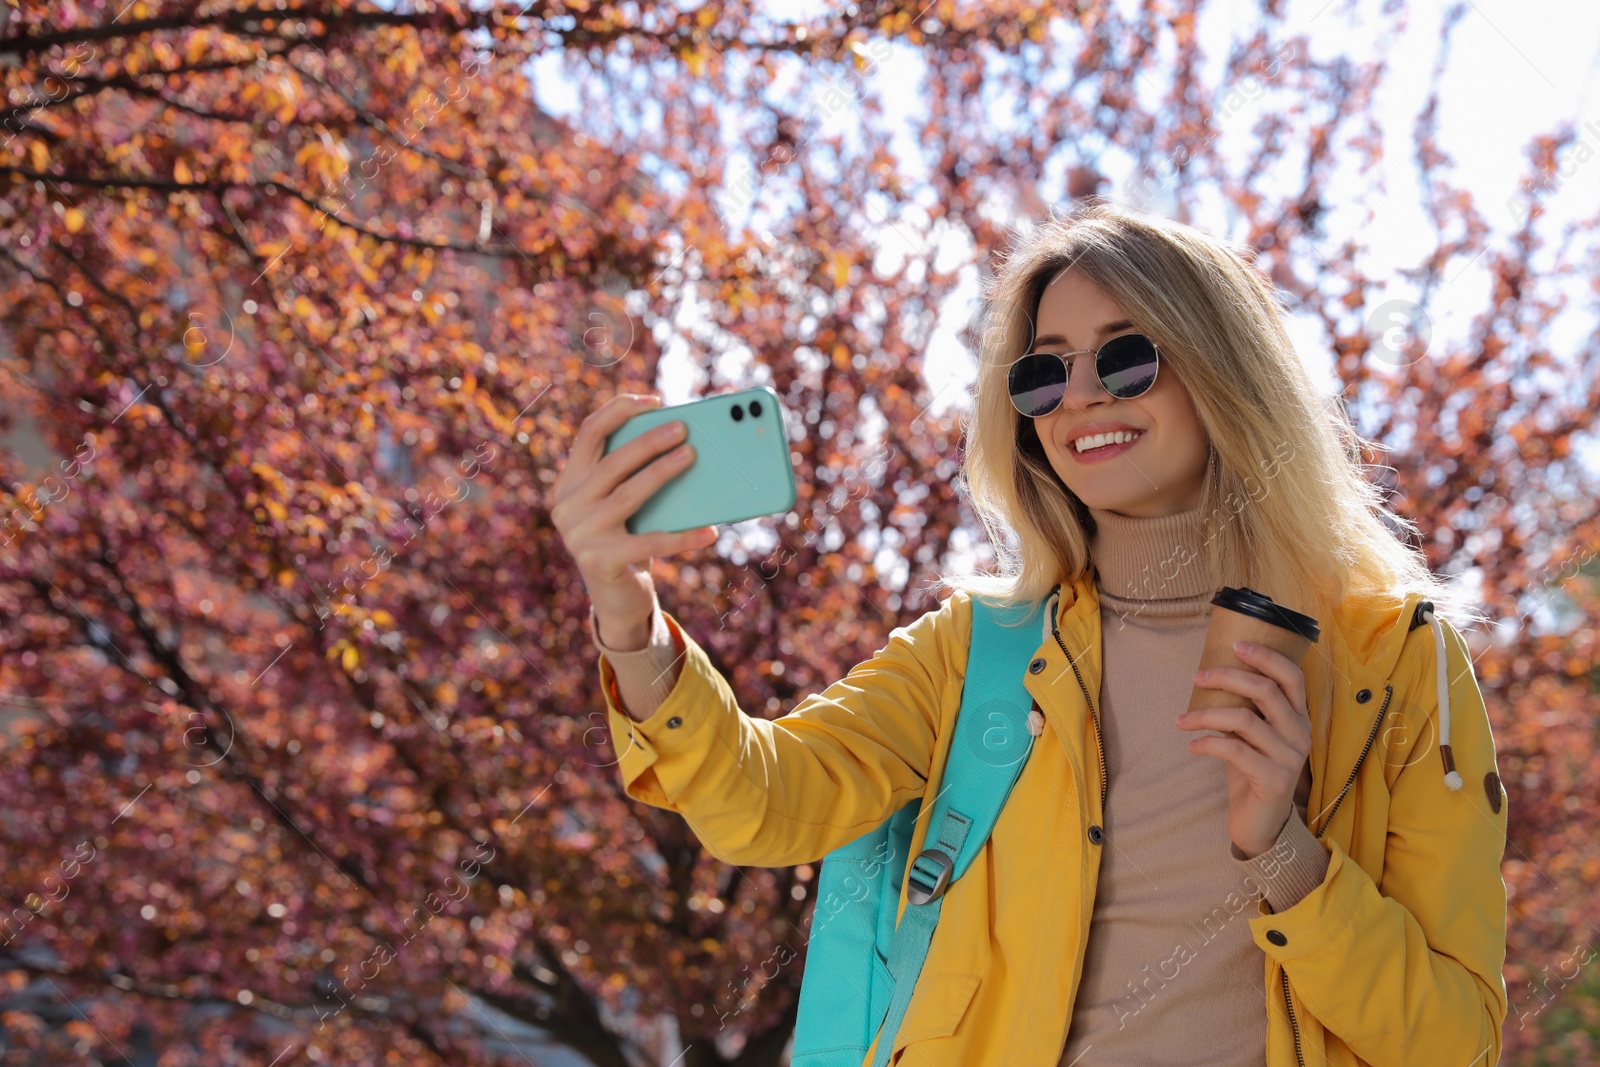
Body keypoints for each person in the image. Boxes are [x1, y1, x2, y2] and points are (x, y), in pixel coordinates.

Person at [550, 202, 1510, 1067]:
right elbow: (757, 801)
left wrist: (1287, 856)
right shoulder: (980, 653)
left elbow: (1450, 1039)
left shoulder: (1398, 666)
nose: (1081, 395)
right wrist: (622, 604)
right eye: (1044, 372)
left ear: (1226, 370)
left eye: (1127, 356)